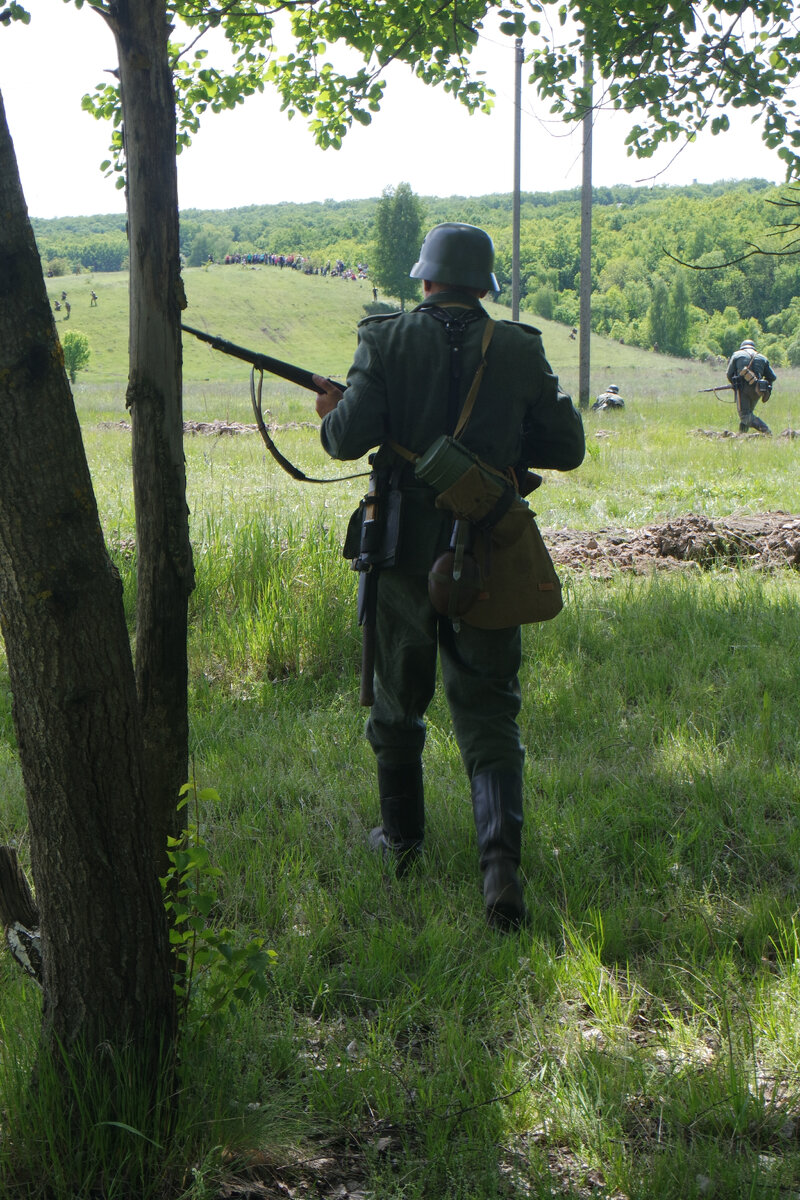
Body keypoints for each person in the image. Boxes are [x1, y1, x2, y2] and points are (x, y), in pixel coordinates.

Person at [314, 222, 584, 931]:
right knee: (491, 710)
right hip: (487, 545)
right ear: (483, 285)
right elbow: (567, 446)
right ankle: (500, 873)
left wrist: (332, 409)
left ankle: (400, 844)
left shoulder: (386, 337)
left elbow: (345, 438)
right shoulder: (520, 349)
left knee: (399, 699)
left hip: (404, 550)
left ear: (426, 279)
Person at [726, 339, 775, 434]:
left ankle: (765, 430)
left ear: (742, 347)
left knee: (745, 415)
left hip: (742, 388)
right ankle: (741, 435)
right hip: (758, 390)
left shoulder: (737, 355)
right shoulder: (762, 357)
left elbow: (729, 374)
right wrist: (766, 389)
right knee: (748, 414)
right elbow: (772, 377)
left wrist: (734, 385)